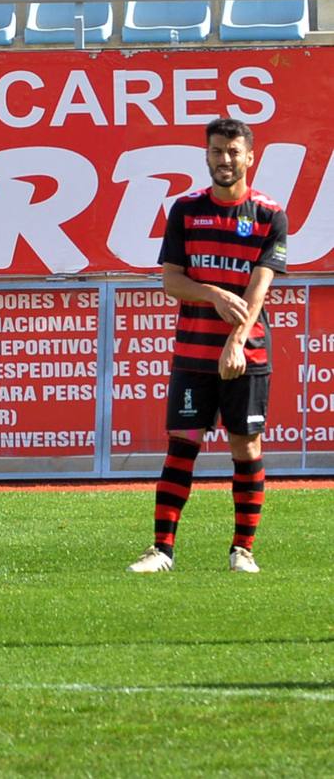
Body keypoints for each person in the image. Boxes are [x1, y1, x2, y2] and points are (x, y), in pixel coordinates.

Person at [128, 118, 287, 574]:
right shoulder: (186, 210)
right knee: (182, 445)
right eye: (217, 151)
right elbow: (171, 281)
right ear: (207, 156)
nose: (225, 160)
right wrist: (214, 294)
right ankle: (161, 550)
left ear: (250, 157)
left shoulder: (269, 214)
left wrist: (236, 341)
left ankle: (243, 550)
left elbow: (258, 291)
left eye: (234, 152)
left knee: (246, 447)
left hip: (247, 355)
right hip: (194, 353)